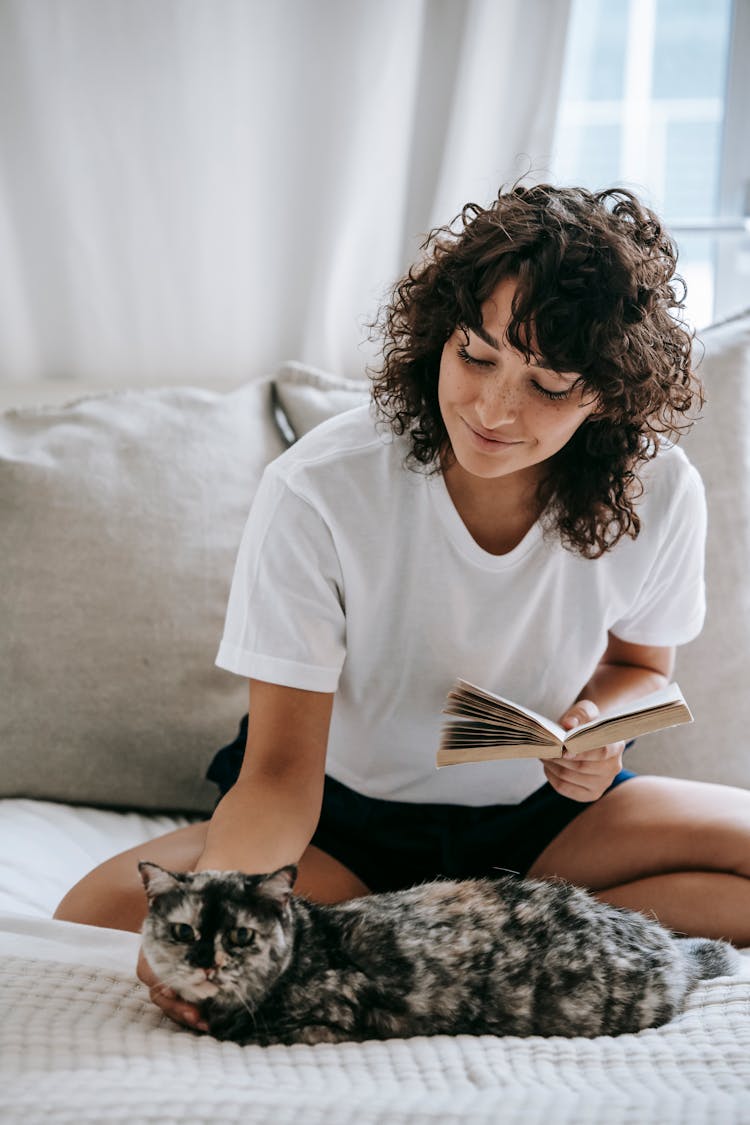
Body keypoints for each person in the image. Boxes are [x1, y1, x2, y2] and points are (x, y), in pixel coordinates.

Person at [55, 184, 750, 1035]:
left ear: (604, 392)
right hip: (341, 823)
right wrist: (220, 928)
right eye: (478, 354)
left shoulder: (660, 489)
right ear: (439, 338)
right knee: (86, 918)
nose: (495, 408)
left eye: (548, 383)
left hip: (546, 820)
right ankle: (469, 920)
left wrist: (595, 732)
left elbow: (643, 669)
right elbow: (276, 773)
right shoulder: (321, 488)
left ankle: (497, 917)